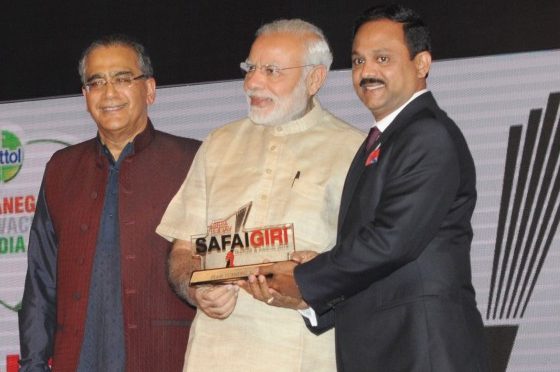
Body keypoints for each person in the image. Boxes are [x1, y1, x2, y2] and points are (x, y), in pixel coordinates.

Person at [260, 4, 490, 371]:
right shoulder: (383, 140)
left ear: (421, 64)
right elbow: (379, 254)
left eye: (382, 58)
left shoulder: (427, 134)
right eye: (357, 61)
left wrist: (306, 278)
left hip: (425, 351)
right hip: (390, 348)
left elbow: (392, 241)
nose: (366, 72)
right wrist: (313, 292)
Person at [156, 19, 365, 371]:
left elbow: (370, 268)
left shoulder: (354, 151)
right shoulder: (219, 144)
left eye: (271, 71)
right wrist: (197, 289)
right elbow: (183, 250)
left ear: (314, 79)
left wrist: (312, 289)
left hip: (305, 357)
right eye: (250, 68)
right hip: (214, 355)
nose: (253, 82)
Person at [18, 35, 200, 372]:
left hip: (169, 358)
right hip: (78, 359)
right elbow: (41, 282)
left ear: (150, 90)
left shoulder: (194, 160)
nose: (109, 93)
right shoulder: (61, 168)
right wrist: (33, 364)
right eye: (96, 82)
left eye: (122, 78)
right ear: (86, 97)